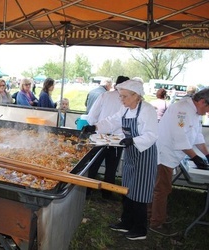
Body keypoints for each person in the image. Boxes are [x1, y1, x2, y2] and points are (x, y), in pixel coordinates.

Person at [82, 79, 158, 240]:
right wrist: (94, 127)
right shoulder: (125, 109)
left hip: (144, 154)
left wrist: (134, 140)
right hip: (131, 154)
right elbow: (112, 121)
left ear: (136, 96)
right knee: (127, 189)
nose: (121, 100)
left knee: (140, 193)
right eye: (121, 96)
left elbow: (152, 134)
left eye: (124, 97)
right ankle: (126, 222)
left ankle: (140, 229)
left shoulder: (147, 110)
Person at [149, 88, 209, 236]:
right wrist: (195, 157)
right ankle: (156, 222)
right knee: (162, 189)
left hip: (172, 154)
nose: (207, 112)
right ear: (202, 102)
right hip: (165, 153)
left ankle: (155, 216)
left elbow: (197, 136)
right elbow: (179, 137)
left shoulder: (194, 112)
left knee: (161, 188)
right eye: (208, 108)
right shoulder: (181, 109)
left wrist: (207, 155)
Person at [86, 75, 130, 199]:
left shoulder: (105, 96)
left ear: (116, 85)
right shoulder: (128, 101)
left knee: (94, 164)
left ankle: (88, 190)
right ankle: (106, 194)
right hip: (117, 138)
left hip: (101, 136)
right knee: (111, 168)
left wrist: (94, 127)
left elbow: (92, 116)